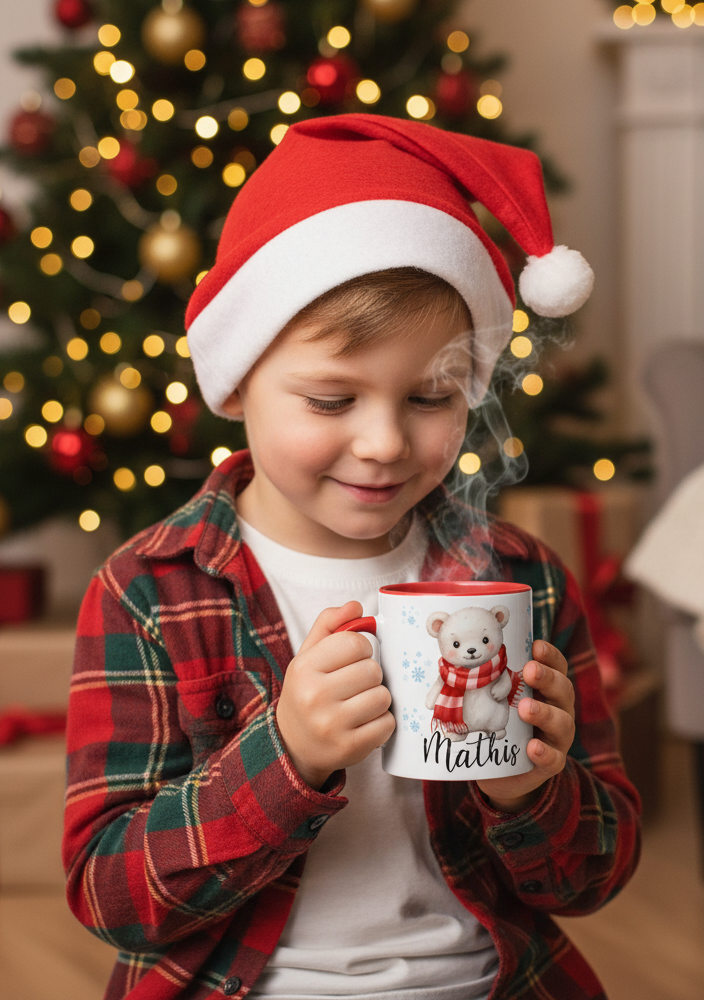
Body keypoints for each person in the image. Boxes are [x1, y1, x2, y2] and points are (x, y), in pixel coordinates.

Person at [63, 115, 641, 1000]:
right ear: (239, 382)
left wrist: (535, 792)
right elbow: (113, 894)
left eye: (431, 395)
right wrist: (285, 756)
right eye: (331, 399)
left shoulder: (520, 577)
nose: (382, 442)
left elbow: (595, 877)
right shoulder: (150, 590)